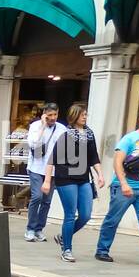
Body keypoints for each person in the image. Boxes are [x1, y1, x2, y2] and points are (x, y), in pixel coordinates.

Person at [95, 104, 139, 267]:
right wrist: (123, 183)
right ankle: (102, 250)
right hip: (124, 187)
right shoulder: (129, 138)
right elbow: (117, 162)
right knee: (113, 219)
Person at [43, 104, 102, 263]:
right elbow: (52, 160)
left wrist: (100, 175)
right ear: (74, 116)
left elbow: (94, 157)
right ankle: (67, 249)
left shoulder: (89, 134)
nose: (85, 117)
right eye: (82, 114)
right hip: (66, 178)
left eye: (86, 114)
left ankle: (63, 236)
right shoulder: (66, 135)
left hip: (83, 178)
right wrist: (47, 181)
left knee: (86, 215)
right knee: (70, 214)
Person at [25, 103, 66, 242]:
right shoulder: (35, 126)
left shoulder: (62, 129)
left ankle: (39, 229)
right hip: (36, 167)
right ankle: (30, 228)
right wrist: (42, 125)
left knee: (46, 201)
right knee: (37, 197)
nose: (53, 118)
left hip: (54, 170)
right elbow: (33, 144)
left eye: (55, 115)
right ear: (44, 114)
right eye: (50, 115)